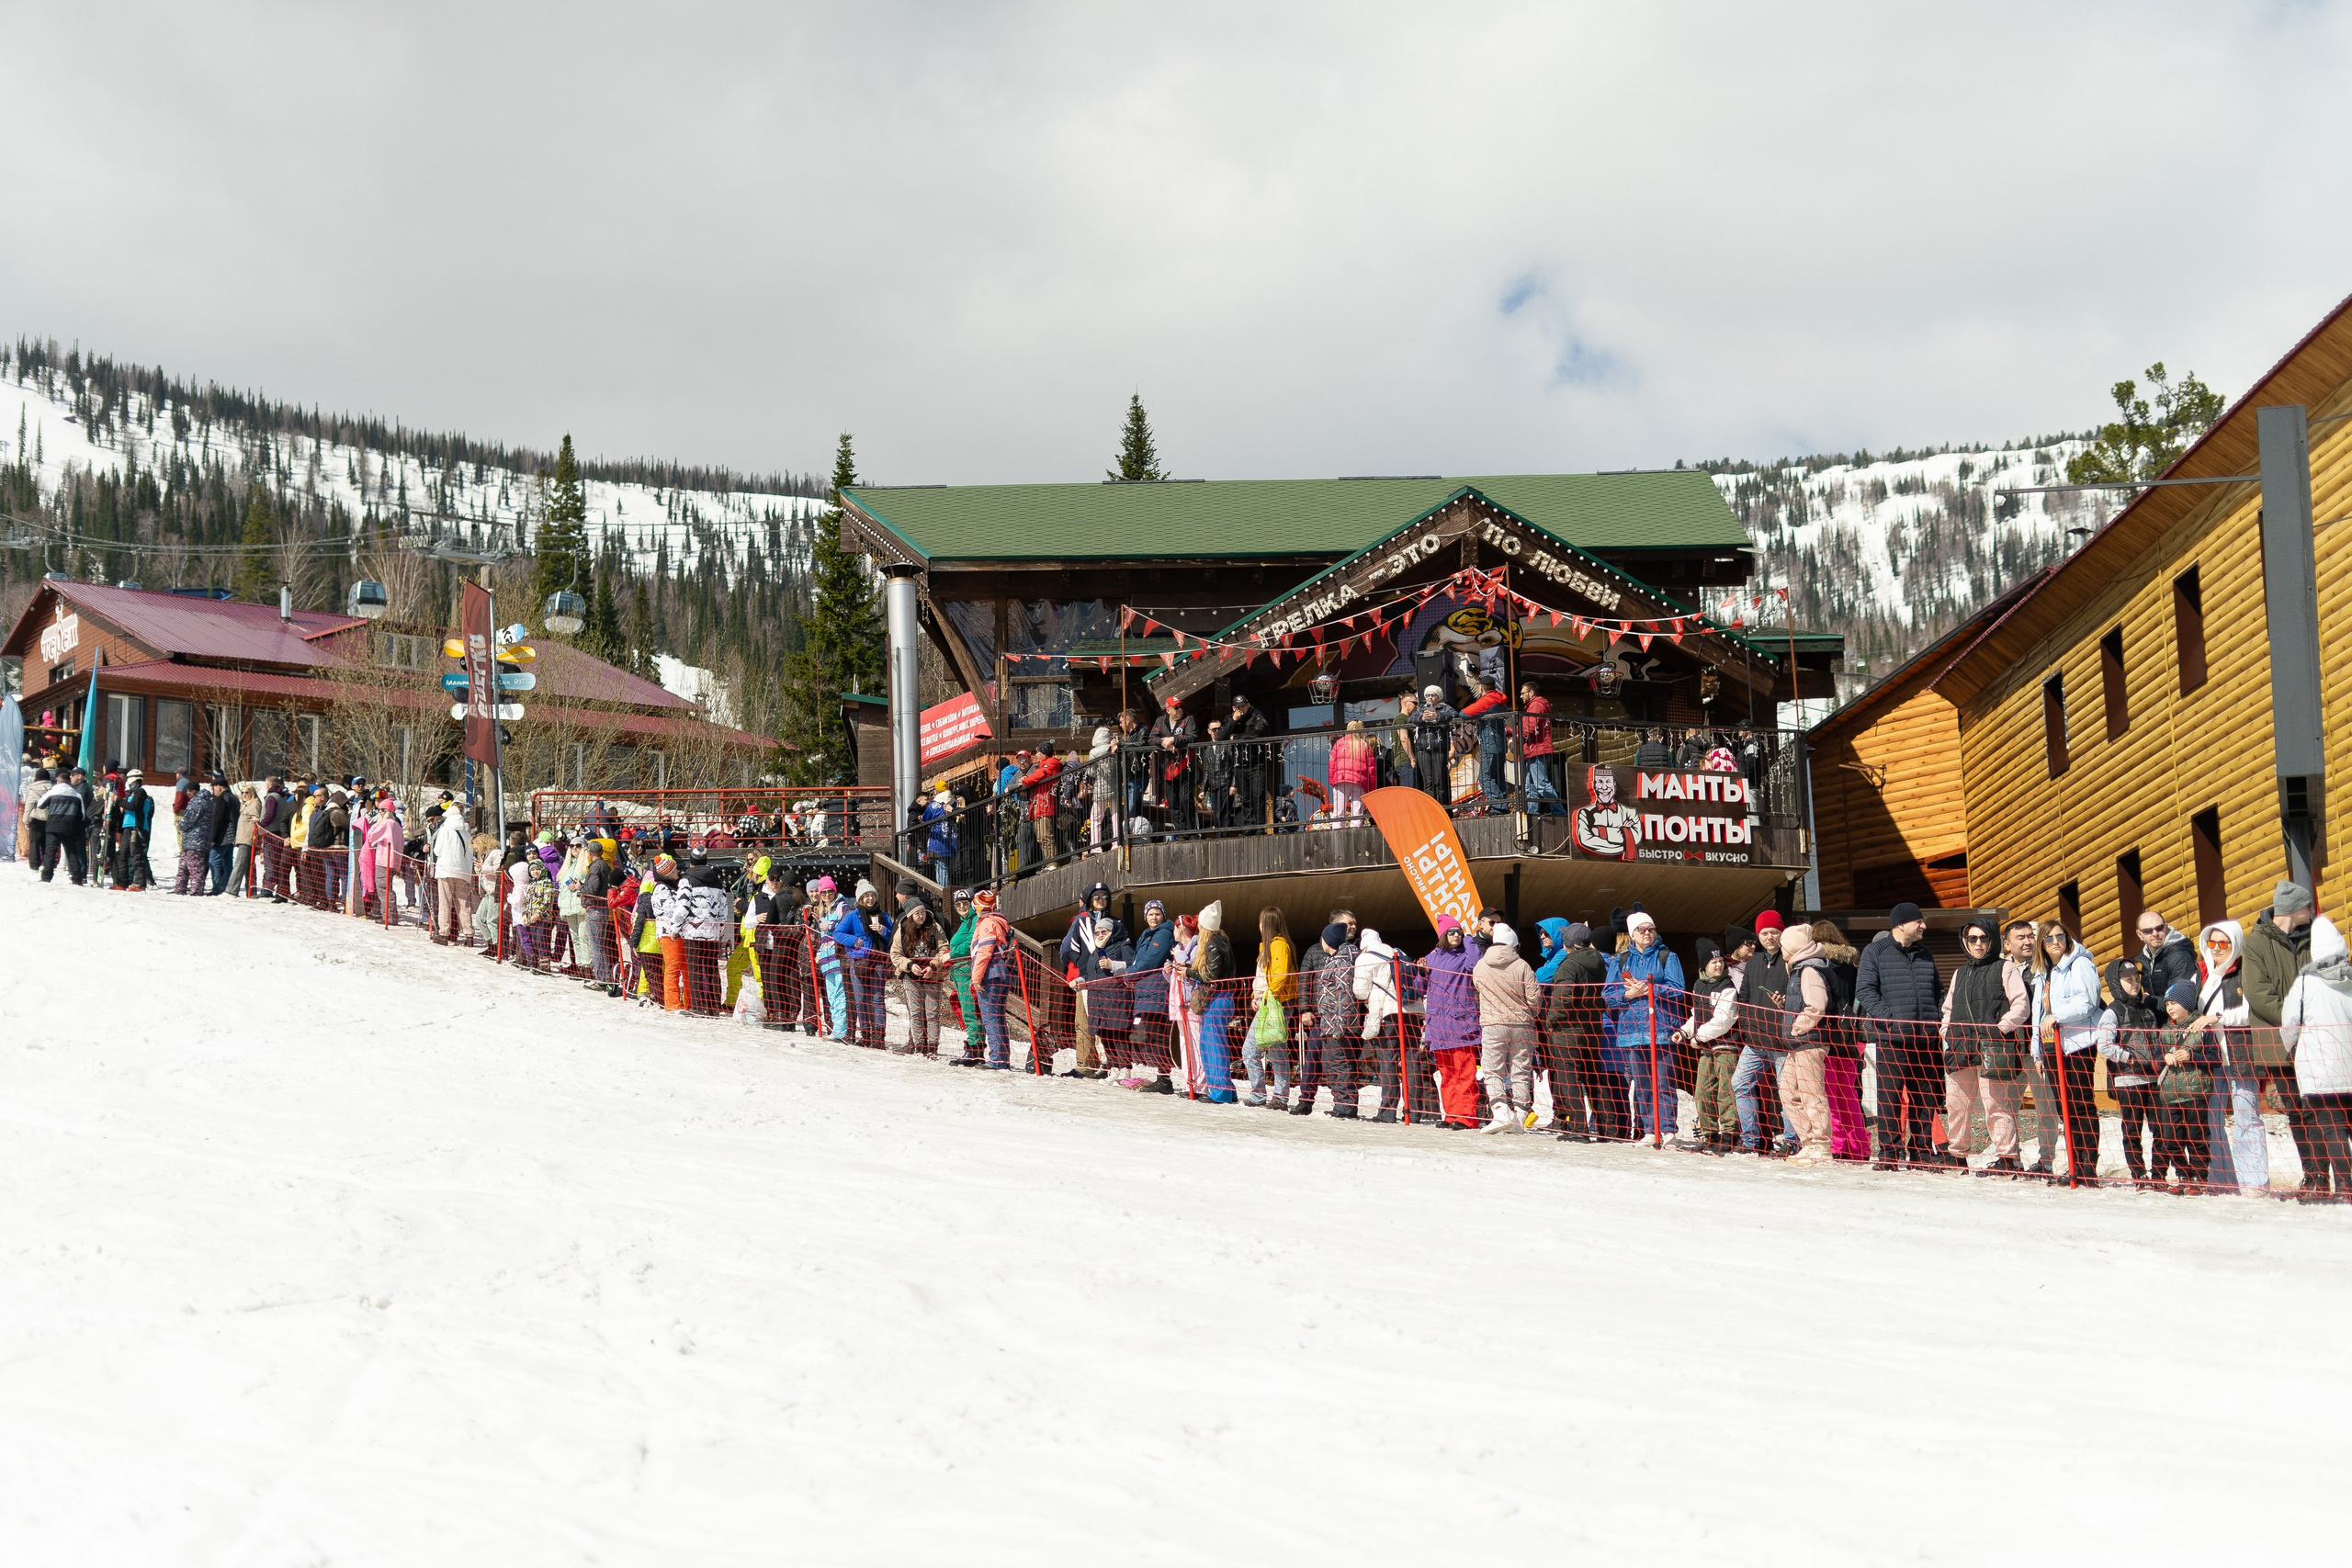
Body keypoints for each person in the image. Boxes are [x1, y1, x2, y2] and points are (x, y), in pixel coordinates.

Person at [2240, 879, 2321, 1194]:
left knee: (2323, 1109)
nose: (2311, 910)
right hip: (2279, 1044)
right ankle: (2313, 1175)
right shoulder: (2256, 942)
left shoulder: (2313, 936)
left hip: (2314, 1041)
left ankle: (2338, 1172)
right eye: (2307, 906)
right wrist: (2297, 1022)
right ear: (2293, 909)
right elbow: (2259, 995)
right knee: (2298, 1114)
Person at [1856, 903, 1944, 1168]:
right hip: (1892, 1040)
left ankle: (1921, 1153)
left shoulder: (1925, 953)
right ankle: (1890, 1155)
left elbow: (1938, 990)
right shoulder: (1875, 951)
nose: (1924, 926)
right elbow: (1865, 990)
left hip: (1926, 1040)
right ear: (1901, 924)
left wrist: (1936, 1019)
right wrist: (1890, 1021)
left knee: (1925, 1100)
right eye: (1919, 921)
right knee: (1890, 1100)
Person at [1941, 916, 2030, 1176]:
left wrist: (1999, 1029)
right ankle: (1957, 1155)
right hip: (1960, 1046)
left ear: (1992, 940)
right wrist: (1947, 1031)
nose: (1978, 943)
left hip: (1994, 1048)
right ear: (1965, 941)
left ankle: (2007, 1157)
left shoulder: (2006, 968)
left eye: (1984, 938)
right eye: (1972, 938)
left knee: (1997, 1104)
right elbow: (1947, 1009)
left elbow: (2020, 1005)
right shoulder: (1960, 972)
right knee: (1956, 1105)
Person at [2282, 914, 2352, 1201]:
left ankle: (2347, 1188)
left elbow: (2289, 1022)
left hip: (2320, 1070)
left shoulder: (2305, 982)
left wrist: (2293, 1048)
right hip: (2350, 1068)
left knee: (2333, 1131)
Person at [2028, 919, 2104, 1180]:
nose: (2055, 942)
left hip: (2077, 1043)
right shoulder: (2043, 972)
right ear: (2042, 945)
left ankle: (2087, 1167)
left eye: (2060, 936)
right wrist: (2037, 1052)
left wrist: (2057, 1016)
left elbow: (2088, 1002)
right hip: (2051, 1046)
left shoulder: (2079, 963)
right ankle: (2073, 1164)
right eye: (2048, 939)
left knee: (2081, 1105)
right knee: (2062, 1107)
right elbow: (2039, 1013)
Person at [1603, 910, 1686, 1143]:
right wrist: (1628, 994)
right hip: (1631, 1031)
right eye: (1642, 929)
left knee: (1664, 1082)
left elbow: (1678, 989)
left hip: (1661, 1028)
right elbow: (1608, 994)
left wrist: (1650, 989)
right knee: (1642, 1084)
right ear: (1632, 934)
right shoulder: (1619, 961)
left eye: (1651, 928)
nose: (1647, 933)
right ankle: (1650, 1129)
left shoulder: (1667, 956)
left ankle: (1668, 1129)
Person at [2196, 919, 2264, 1196]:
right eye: (2212, 943)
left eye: (2224, 943)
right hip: (2210, 1059)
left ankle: (2254, 1182)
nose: (2217, 949)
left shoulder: (2245, 972)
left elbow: (2252, 1010)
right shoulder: (2202, 975)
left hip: (2239, 1054)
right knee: (2211, 1119)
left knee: (2247, 1118)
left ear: (2235, 944)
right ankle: (2221, 1179)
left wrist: (2218, 1018)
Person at [2095, 958, 2167, 1188]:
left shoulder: (2150, 1009)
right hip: (2128, 1079)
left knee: (2162, 1129)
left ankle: (2159, 1174)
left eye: (2137, 979)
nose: (2134, 984)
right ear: (2117, 982)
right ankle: (2138, 1174)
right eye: (2128, 980)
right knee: (2132, 1130)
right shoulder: (2112, 1012)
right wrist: (2129, 1058)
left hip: (2154, 1078)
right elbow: (2104, 1045)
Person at [1538, 920, 1609, 1140]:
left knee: (1569, 1078)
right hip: (1592, 1029)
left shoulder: (1569, 965)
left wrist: (1551, 1020)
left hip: (1568, 1030)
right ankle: (1609, 1129)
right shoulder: (1599, 963)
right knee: (1593, 1078)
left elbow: (1563, 997)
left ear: (1570, 943)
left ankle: (1579, 1129)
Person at [1773, 923, 1838, 1165]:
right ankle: (1808, 1142)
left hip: (1810, 1041)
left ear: (1794, 947)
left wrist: (1797, 1026)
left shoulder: (1809, 969)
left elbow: (1816, 1006)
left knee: (1812, 1094)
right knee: (1788, 1092)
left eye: (1783, 946)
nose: (1781, 950)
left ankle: (1821, 1146)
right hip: (1797, 1043)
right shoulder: (1798, 969)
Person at [1733, 910, 1795, 1156]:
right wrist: (1747, 1028)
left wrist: (1785, 1004)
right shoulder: (1754, 963)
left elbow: (1799, 997)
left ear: (1782, 933)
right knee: (1740, 1083)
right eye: (1764, 933)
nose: (1769, 937)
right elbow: (1745, 998)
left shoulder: (1791, 960)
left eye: (1774, 932)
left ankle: (1791, 1141)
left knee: (1787, 1091)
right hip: (1755, 1040)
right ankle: (1750, 1141)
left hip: (1782, 1041)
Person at [1468, 921, 1539, 1131]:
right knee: (1521, 1070)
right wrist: (1531, 1014)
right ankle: (1519, 1117)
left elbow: (1477, 990)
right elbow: (1534, 997)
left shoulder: (1480, 965)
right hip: (1521, 1024)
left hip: (1493, 1024)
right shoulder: (1523, 965)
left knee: (1493, 1069)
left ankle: (1500, 1110)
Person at [1676, 938, 1742, 1152]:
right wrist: (1684, 1031)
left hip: (1725, 1046)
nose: (1719, 965)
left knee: (1726, 1091)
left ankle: (1730, 1134)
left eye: (1721, 961)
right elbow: (1697, 1014)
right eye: (1713, 962)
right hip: (1706, 1049)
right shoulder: (1699, 985)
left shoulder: (1727, 986)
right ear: (1704, 965)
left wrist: (1698, 1037)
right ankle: (1710, 1133)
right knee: (1703, 1091)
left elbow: (1724, 1020)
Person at [2154, 980, 2219, 1193]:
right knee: (2170, 1138)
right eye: (2167, 1004)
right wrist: (2165, 1056)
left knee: (2197, 1138)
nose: (2170, 1008)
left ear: (2187, 1004)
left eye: (2174, 1003)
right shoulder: (2164, 1031)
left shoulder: (2202, 1028)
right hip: (2170, 1095)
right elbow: (2155, 1059)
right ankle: (2183, 1174)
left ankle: (2199, 1178)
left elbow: (2214, 1058)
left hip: (2195, 1093)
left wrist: (2193, 1056)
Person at [1295, 920, 1363, 1116]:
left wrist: (1339, 1025)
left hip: (1337, 1022)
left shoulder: (1341, 960)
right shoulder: (1334, 959)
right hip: (1328, 1021)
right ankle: (1341, 1103)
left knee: (1340, 1063)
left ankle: (1346, 1105)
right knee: (1331, 1062)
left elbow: (1343, 993)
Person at [1057, 882, 1125, 1079]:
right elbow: (1067, 948)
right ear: (1090, 901)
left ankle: (1109, 1064)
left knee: (1106, 1023)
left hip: (1108, 982)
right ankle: (1086, 1065)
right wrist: (1084, 969)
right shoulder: (1081, 921)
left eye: (1105, 896)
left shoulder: (1117, 923)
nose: (1101, 900)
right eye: (1097, 897)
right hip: (1087, 981)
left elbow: (1124, 949)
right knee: (1085, 1022)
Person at [1422, 915, 1484, 1128]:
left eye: (1458, 931)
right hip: (1439, 1028)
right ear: (1442, 936)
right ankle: (1451, 1114)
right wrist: (1419, 972)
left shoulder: (1465, 956)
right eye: (1451, 932)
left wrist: (1469, 939)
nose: (1456, 935)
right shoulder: (1431, 958)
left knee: (1465, 1074)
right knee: (1447, 1075)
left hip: (1462, 1025)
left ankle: (1467, 1117)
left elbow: (1476, 963)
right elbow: (1418, 988)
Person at [1118, 899, 1180, 1093]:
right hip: (1144, 991)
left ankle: (1164, 1078)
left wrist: (1130, 973)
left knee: (1156, 1034)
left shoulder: (1163, 934)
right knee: (1148, 1035)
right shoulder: (1147, 934)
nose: (1154, 917)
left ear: (1163, 916)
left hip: (1156, 990)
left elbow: (1150, 960)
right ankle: (1161, 1076)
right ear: (1146, 917)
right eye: (1150, 914)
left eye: (1157, 914)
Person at [1186, 901, 1238, 1103]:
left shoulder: (1212, 944)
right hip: (1222, 999)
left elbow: (1211, 975)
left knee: (1213, 1043)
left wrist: (1189, 971)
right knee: (1213, 1041)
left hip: (1218, 1000)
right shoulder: (1221, 941)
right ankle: (1226, 1088)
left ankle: (1220, 1090)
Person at [1245, 907, 1296, 1108]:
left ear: (1266, 925)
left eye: (1260, 922)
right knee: (1273, 1051)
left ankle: (1270, 1096)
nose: (1258, 926)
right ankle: (1274, 1096)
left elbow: (1279, 976)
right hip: (1270, 1002)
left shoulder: (1278, 946)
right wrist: (1255, 996)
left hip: (1276, 1004)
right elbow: (1263, 978)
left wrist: (1266, 997)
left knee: (1256, 1050)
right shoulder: (1269, 946)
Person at [967, 887, 1017, 1069]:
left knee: (991, 1017)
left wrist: (976, 978)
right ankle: (1002, 1058)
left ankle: (997, 1059)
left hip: (991, 974)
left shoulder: (988, 923)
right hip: (1001, 974)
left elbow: (984, 952)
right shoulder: (1000, 921)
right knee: (998, 1017)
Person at [890, 898, 948, 1054]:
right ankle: (919, 1045)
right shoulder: (902, 930)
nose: (921, 916)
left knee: (932, 1012)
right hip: (911, 975)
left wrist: (933, 965)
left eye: (923, 912)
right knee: (915, 1011)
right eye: (917, 913)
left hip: (932, 974)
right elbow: (895, 954)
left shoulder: (935, 927)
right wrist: (909, 965)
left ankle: (932, 1046)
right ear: (910, 916)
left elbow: (944, 949)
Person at [1457, 677, 1510, 813]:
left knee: (1485, 777)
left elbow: (1463, 713)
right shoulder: (1500, 700)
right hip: (1499, 743)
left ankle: (1499, 806)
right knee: (1498, 777)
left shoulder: (1487, 700)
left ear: (1481, 688)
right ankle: (1502, 805)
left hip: (1489, 742)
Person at [1148, 698, 1197, 833]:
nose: (1180, 709)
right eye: (1176, 707)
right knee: (1172, 801)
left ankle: (1191, 830)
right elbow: (1151, 738)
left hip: (1184, 766)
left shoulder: (1188, 719)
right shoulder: (1160, 721)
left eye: (1181, 706)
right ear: (1168, 709)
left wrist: (1174, 739)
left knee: (1185, 799)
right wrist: (1163, 742)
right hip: (1167, 768)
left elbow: (1192, 736)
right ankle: (1180, 831)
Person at [430, 804, 477, 944]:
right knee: (463, 904)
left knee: (445, 902)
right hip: (462, 872)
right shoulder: (467, 833)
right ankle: (469, 935)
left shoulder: (444, 830)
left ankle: (444, 934)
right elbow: (470, 855)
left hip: (445, 869)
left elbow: (437, 850)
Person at [1226, 694, 1271, 831]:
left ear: (1248, 704)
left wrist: (1237, 737)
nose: (1241, 709)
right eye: (1238, 707)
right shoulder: (1230, 718)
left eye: (1243, 706)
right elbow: (1222, 736)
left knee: (1258, 796)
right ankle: (1248, 827)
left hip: (1256, 764)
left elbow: (1257, 733)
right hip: (1239, 765)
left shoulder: (1256, 714)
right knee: (1245, 798)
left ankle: (1260, 827)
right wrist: (1233, 720)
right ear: (1234, 708)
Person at [1409, 684, 1456, 809]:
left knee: (1439, 779)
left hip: (1439, 746)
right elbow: (1411, 719)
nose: (1430, 698)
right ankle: (1431, 808)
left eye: (1432, 695)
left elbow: (1455, 714)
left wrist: (1437, 717)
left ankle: (1441, 807)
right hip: (1424, 748)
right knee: (1428, 781)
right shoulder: (1420, 709)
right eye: (1427, 695)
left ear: (1438, 697)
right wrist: (1422, 718)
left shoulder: (1444, 708)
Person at [1517, 681, 1560, 816]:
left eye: (1523, 693)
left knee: (1540, 784)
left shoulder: (1536, 705)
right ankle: (1532, 813)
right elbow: (1528, 728)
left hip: (1537, 750)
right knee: (1530, 787)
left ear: (1531, 692)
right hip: (1533, 750)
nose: (1521, 696)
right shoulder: (1533, 705)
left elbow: (1529, 729)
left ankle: (1559, 811)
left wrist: (1514, 734)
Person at [2136, 909, 2199, 998]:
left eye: (2159, 928)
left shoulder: (2180, 957)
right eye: (2148, 931)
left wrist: (2148, 1001)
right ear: (2139, 934)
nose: (2155, 934)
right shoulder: (2147, 957)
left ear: (2166, 927)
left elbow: (2177, 1000)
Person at [1021, 740, 1064, 866]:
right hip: (1039, 805)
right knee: (1041, 837)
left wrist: (1026, 780)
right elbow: (1036, 776)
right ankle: (1049, 862)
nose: (1036, 755)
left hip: (1045, 804)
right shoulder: (1042, 766)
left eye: (1038, 752)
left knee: (1046, 836)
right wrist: (1026, 779)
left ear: (1044, 753)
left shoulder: (1051, 763)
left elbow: (1038, 776)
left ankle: (1052, 863)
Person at [109, 770, 153, 890]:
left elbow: (134, 806)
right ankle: (122, 882)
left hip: (136, 827)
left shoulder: (140, 792)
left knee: (136, 855)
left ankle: (140, 882)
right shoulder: (131, 793)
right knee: (122, 854)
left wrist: (119, 801)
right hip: (127, 827)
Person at [1326, 720, 1377, 822]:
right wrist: (1371, 787)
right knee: (1357, 810)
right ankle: (1356, 829)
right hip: (1359, 781)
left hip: (1341, 779)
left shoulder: (1339, 743)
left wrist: (1332, 781)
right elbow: (1371, 769)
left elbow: (1332, 763)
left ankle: (1337, 831)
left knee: (1339, 810)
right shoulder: (1365, 746)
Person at [170, 776, 213, 894]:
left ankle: (196, 890)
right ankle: (180, 888)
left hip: (196, 840)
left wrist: (180, 824)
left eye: (190, 791)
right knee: (183, 865)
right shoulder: (206, 801)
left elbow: (189, 818)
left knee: (195, 867)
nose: (188, 793)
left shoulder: (197, 801)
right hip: (191, 839)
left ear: (196, 791)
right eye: (187, 791)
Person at [1082, 728, 1119, 852]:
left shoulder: (1094, 751)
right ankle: (1116, 843)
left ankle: (1096, 847)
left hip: (1100, 786)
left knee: (1095, 818)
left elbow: (1091, 771)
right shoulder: (1114, 748)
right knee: (1116, 815)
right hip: (1115, 785)